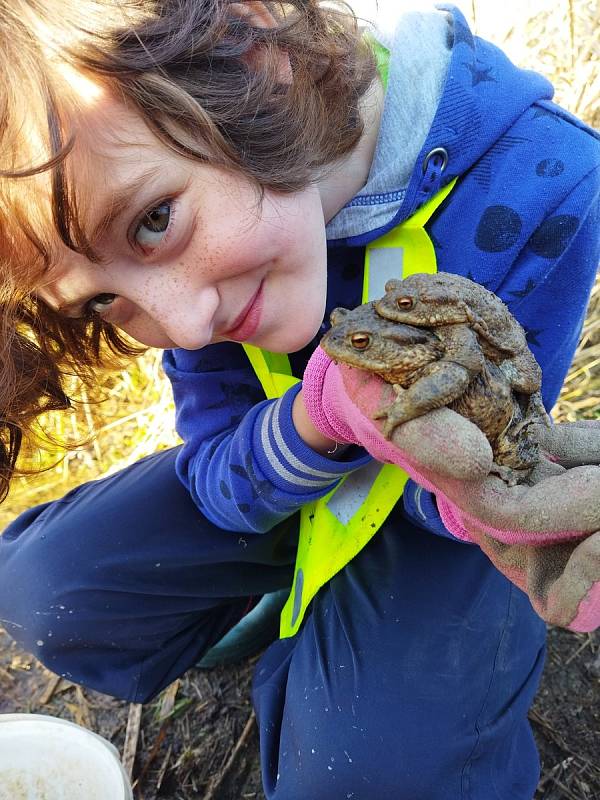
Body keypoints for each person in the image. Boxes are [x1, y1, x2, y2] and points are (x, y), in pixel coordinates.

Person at [0, 1, 599, 797]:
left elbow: (506, 426)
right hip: (277, 471)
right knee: (44, 586)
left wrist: (474, 487)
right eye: (99, 301)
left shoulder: (548, 180)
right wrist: (317, 421)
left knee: (361, 773)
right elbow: (215, 459)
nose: (183, 323)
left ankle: (363, 668)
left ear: (252, 59)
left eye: (155, 221)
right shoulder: (195, 282)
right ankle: (276, 609)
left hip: (438, 521)